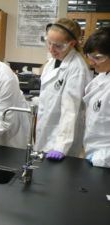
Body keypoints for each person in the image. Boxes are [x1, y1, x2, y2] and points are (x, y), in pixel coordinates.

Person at [34, 18, 92, 160]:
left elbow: (70, 111)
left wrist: (61, 147)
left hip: (60, 143)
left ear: (71, 44)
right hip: (46, 133)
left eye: (58, 46)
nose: (51, 49)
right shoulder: (52, 62)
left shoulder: (77, 68)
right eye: (49, 43)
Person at [83, 26, 110, 168]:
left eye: (98, 57)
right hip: (94, 155)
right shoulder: (101, 76)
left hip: (105, 159)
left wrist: (103, 158)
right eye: (90, 56)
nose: (91, 62)